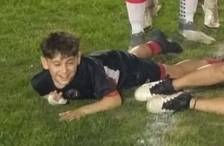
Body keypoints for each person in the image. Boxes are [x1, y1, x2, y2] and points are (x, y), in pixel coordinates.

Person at [30, 30, 206, 121]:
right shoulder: (40, 82)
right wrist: (52, 99)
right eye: (57, 64)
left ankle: (211, 63)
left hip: (128, 69)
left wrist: (81, 111)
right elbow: (47, 92)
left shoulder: (91, 72)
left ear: (78, 58)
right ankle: (157, 44)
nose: (64, 70)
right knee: (132, 55)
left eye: (69, 63)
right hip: (110, 59)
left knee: (171, 72)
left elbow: (113, 100)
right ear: (45, 63)